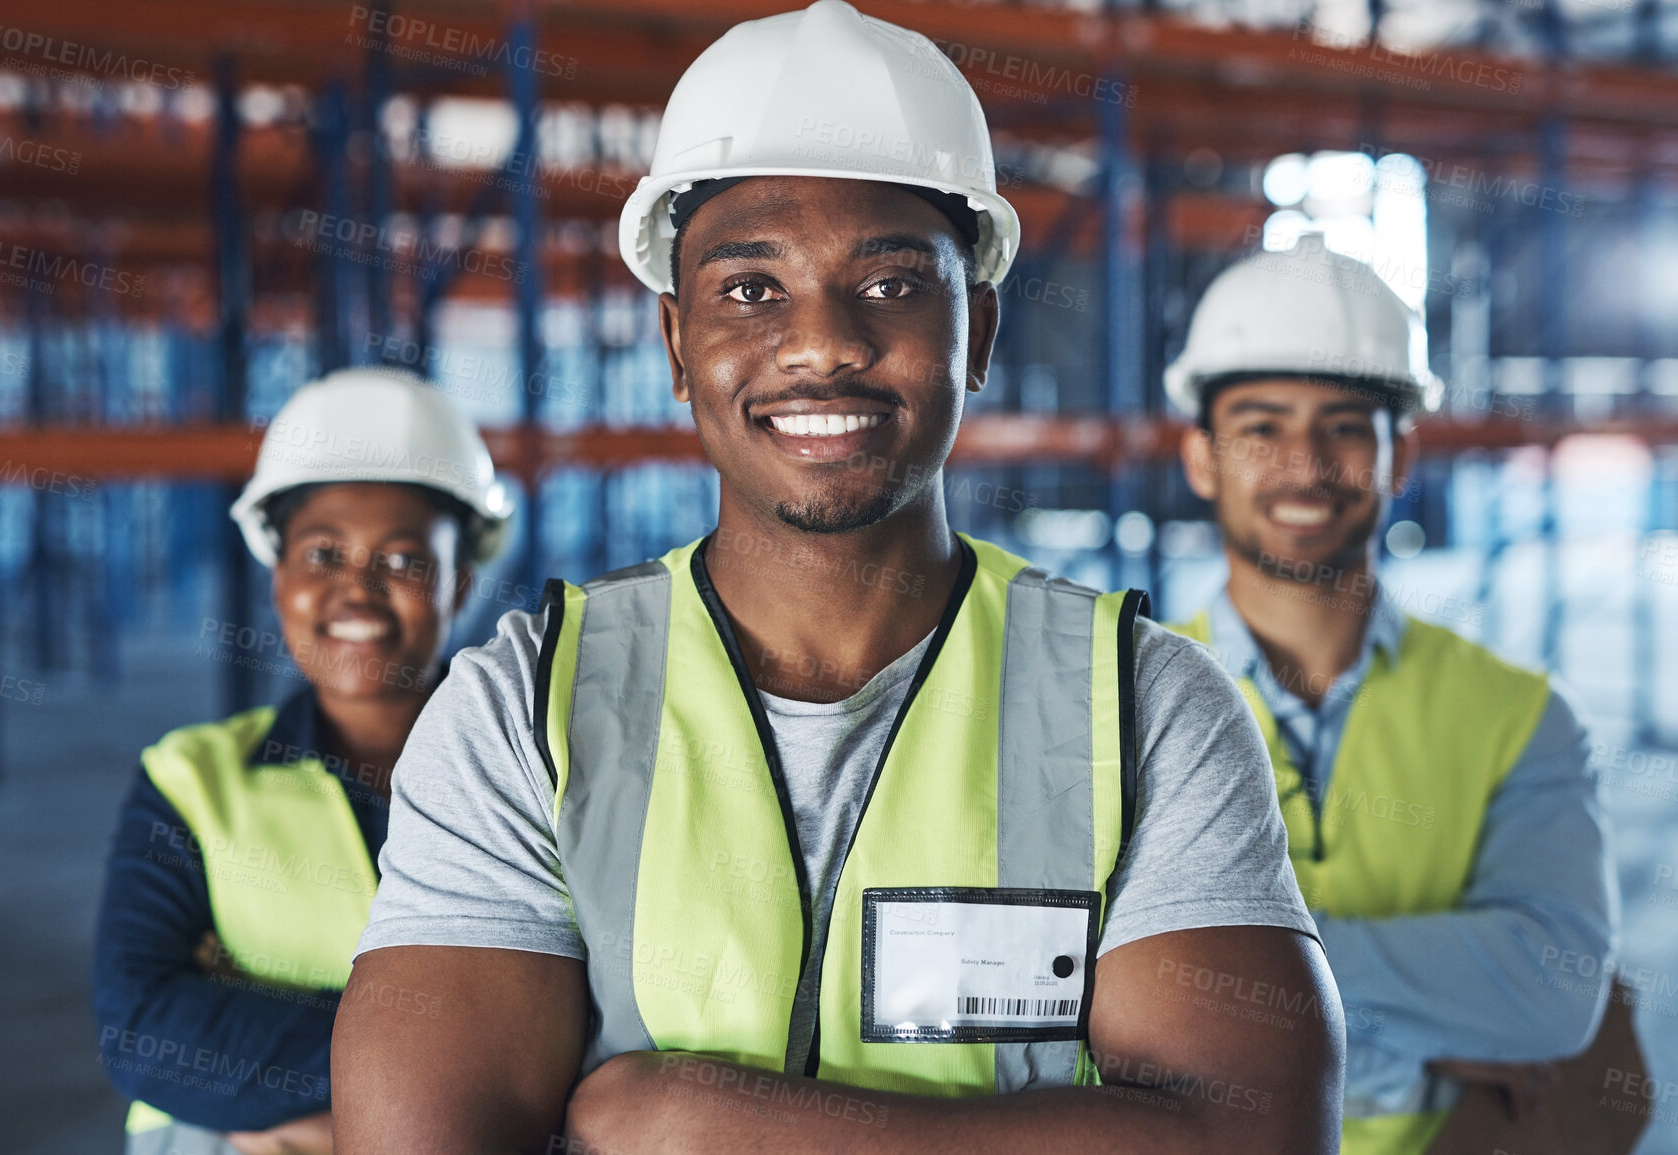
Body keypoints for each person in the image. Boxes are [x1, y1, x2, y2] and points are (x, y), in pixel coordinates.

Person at [332, 4, 1346, 1152]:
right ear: (676, 343)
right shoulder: (526, 709)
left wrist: (698, 1121)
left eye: (891, 284)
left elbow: (1249, 1140)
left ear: (979, 335)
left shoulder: (1143, 704)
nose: (821, 344)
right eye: (751, 289)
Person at [1161, 236, 1618, 1154]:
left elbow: (1553, 994)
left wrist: (1219, 975)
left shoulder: (1520, 716)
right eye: (1259, 425)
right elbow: (1074, 1013)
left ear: (1398, 454)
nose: (1304, 462)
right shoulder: (1116, 703)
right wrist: (1425, 1052)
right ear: (1202, 458)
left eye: (1342, 425)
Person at [92, 368, 512, 1155]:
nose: (357, 590)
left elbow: (599, 1019)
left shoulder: (533, 773)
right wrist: (464, 1056)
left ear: (460, 583)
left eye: (403, 561)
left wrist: (252, 1019)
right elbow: (144, 1031)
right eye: (323, 554)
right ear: (278, 575)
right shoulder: (191, 778)